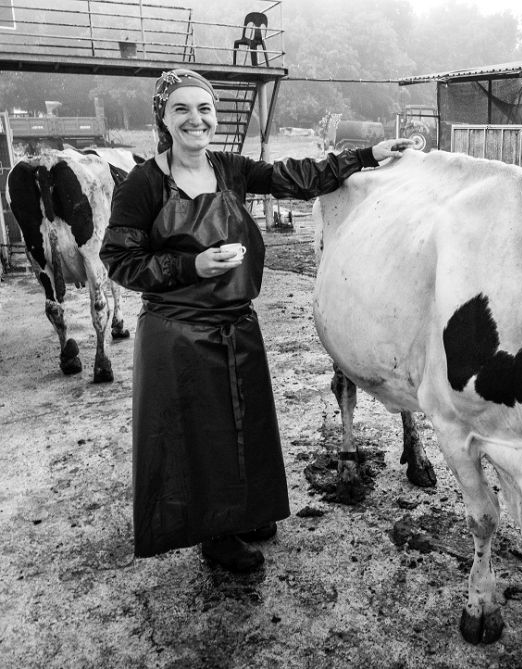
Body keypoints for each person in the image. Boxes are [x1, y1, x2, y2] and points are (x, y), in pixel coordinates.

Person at [101, 68, 413, 572]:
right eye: (181, 108)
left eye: (203, 108)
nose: (195, 119)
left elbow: (298, 177)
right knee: (200, 437)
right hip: (177, 334)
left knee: (244, 428)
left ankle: (242, 512)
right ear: (163, 116)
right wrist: (190, 265)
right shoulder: (144, 183)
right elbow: (118, 259)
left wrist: (367, 156)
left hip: (236, 325)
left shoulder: (229, 168)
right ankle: (215, 535)